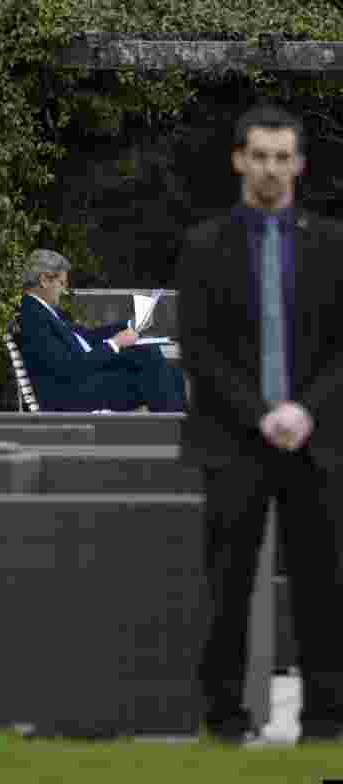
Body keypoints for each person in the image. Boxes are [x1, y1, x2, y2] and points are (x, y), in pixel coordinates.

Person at [177, 104, 343, 745]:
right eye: (260, 156)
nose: (271, 168)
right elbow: (198, 347)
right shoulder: (203, 245)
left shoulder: (333, 245)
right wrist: (261, 414)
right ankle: (224, 722)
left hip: (319, 442)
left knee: (324, 587)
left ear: (299, 164)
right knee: (227, 588)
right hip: (231, 442)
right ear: (239, 160)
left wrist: (306, 410)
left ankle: (327, 723)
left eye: (283, 157)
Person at [16, 249, 186, 412]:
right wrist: (115, 343)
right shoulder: (32, 315)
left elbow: (87, 338)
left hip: (85, 376)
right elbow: (67, 368)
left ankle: (182, 429)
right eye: (61, 283)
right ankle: (175, 433)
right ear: (44, 280)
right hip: (72, 393)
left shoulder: (46, 310)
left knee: (170, 372)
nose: (64, 290)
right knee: (151, 366)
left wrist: (129, 325)